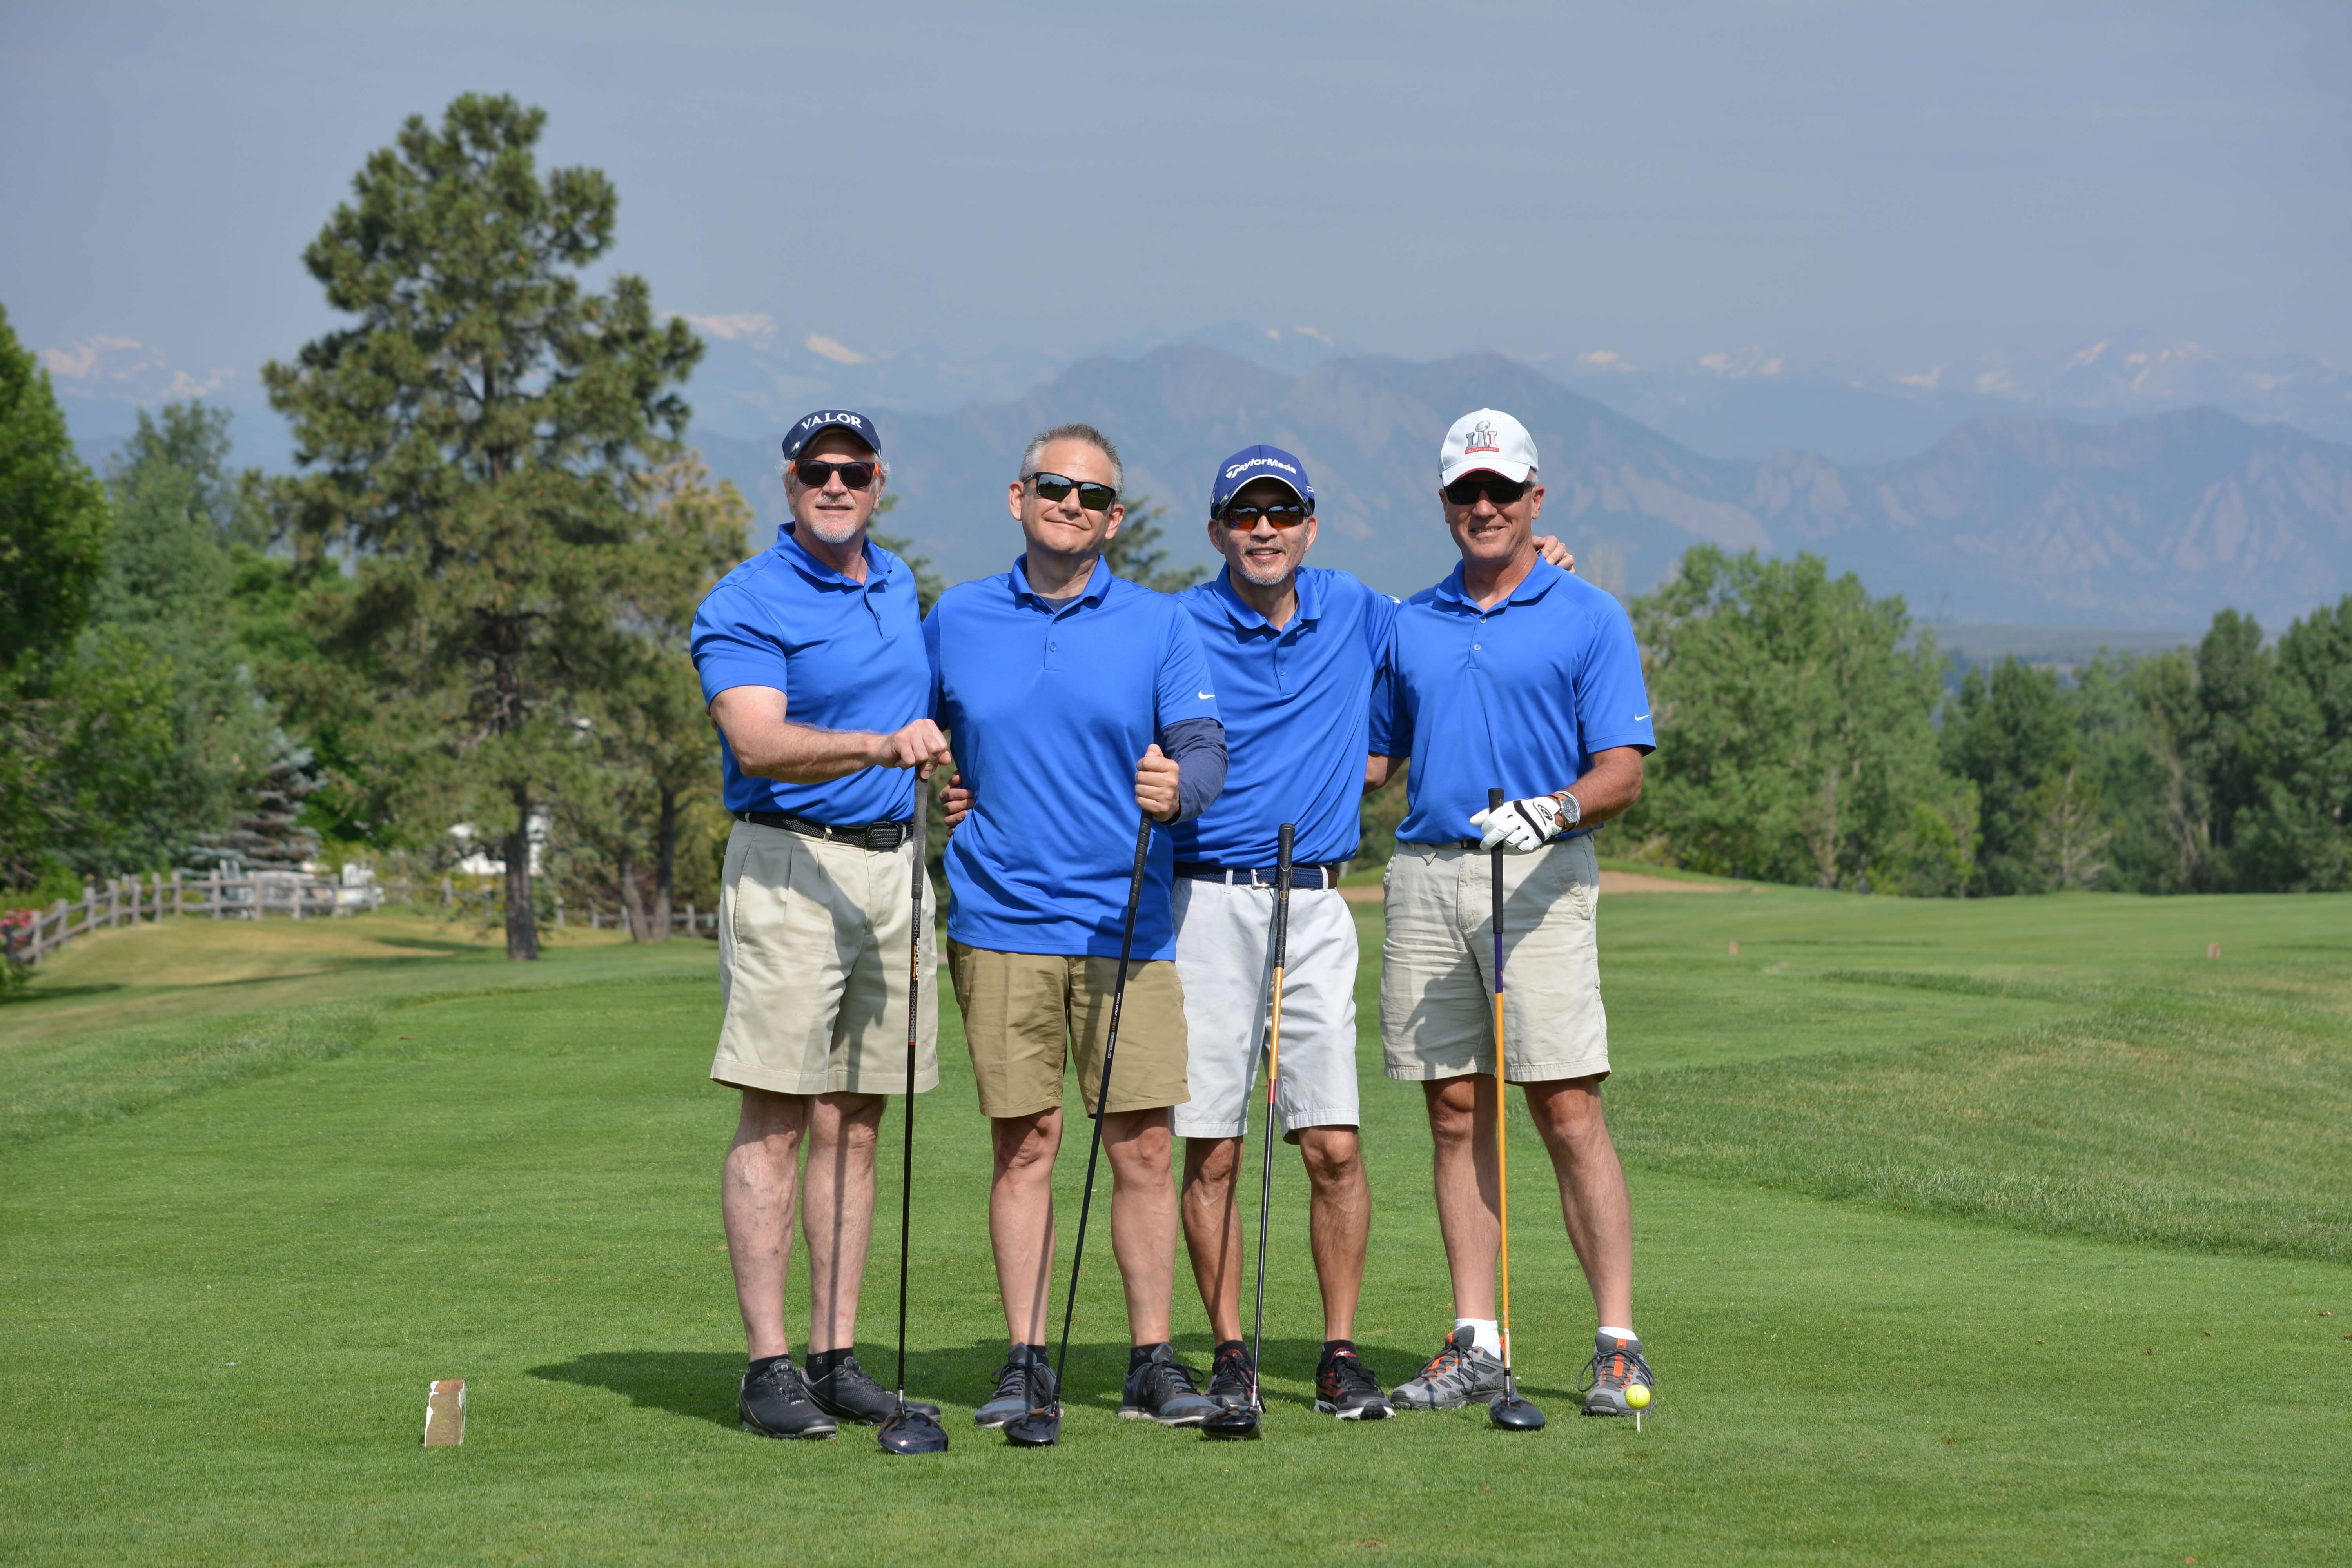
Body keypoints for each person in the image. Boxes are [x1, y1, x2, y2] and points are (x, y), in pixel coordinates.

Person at [957, 445, 1571, 1423]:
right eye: (1245, 515)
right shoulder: (1175, 621)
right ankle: (1229, 1351)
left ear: (1310, 526)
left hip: (1316, 900)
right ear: (1217, 530)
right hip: (1200, 900)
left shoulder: (1362, 610)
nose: (1264, 530)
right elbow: (1073, 716)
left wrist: (1537, 566)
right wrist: (972, 785)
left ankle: (1338, 1351)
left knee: (1332, 1144)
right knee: (1210, 1148)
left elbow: (1454, 623)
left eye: (1282, 513)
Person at [925, 422, 1230, 1431]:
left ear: (1116, 519)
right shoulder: (956, 617)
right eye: (1054, 486)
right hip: (1000, 920)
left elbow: (1203, 744)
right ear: (1019, 497)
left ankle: (1152, 1358)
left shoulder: (1159, 622)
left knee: (1142, 1147)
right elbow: (918, 732)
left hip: (1125, 924)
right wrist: (945, 786)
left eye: (1093, 495)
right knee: (1027, 1145)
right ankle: (1025, 1358)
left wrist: (1181, 790)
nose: (1072, 504)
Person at [1368, 407, 1661, 1418]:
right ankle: (1477, 1340)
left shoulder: (1589, 614)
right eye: (1467, 491)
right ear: (1445, 502)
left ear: (1536, 497)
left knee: (1566, 1107)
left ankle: (1617, 1342)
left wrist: (1556, 808)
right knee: (1454, 1109)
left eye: (1502, 490)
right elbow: (1374, 760)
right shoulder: (1410, 620)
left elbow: (1622, 770)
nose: (1484, 506)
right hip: (1429, 874)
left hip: (1540, 874)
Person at [690, 409, 953, 1441]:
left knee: (857, 1116)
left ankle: (834, 1357)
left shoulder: (894, 581)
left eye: (852, 469)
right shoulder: (746, 599)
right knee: (778, 1114)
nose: (834, 484)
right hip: (790, 865)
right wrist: (879, 746)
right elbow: (757, 741)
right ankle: (769, 1367)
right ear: (790, 481)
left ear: (879, 482)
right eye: (816, 470)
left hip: (895, 867)